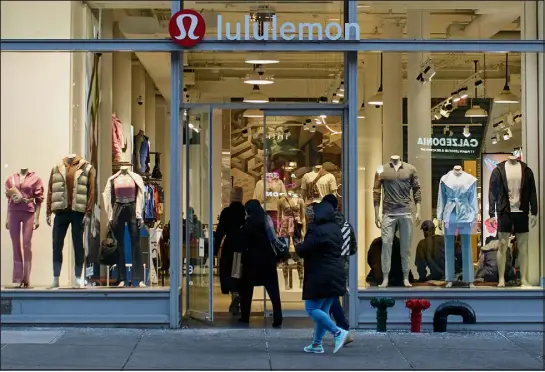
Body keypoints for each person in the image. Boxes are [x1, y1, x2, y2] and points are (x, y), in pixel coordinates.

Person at [296, 201, 349, 354]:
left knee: (312, 308)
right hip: (336, 273)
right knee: (323, 311)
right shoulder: (336, 229)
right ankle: (317, 344)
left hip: (321, 274)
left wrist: (297, 246)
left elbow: (305, 248)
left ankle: (338, 332)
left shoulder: (316, 230)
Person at [238, 199, 283, 327]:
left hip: (251, 261)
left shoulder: (247, 224)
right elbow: (273, 238)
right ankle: (278, 317)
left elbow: (242, 245)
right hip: (267, 260)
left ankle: (245, 316)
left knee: (247, 290)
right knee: (273, 291)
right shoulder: (266, 219)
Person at [322, 194, 354, 345]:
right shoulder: (347, 225)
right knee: (330, 296)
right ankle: (330, 330)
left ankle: (341, 328)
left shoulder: (326, 225)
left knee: (330, 297)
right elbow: (353, 248)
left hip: (329, 263)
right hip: (343, 265)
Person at [214, 186, 246, 315]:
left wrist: (214, 250)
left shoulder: (226, 212)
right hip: (243, 246)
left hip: (230, 246)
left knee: (229, 273)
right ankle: (240, 297)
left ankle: (234, 295)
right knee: (241, 273)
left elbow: (220, 232)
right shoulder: (245, 212)